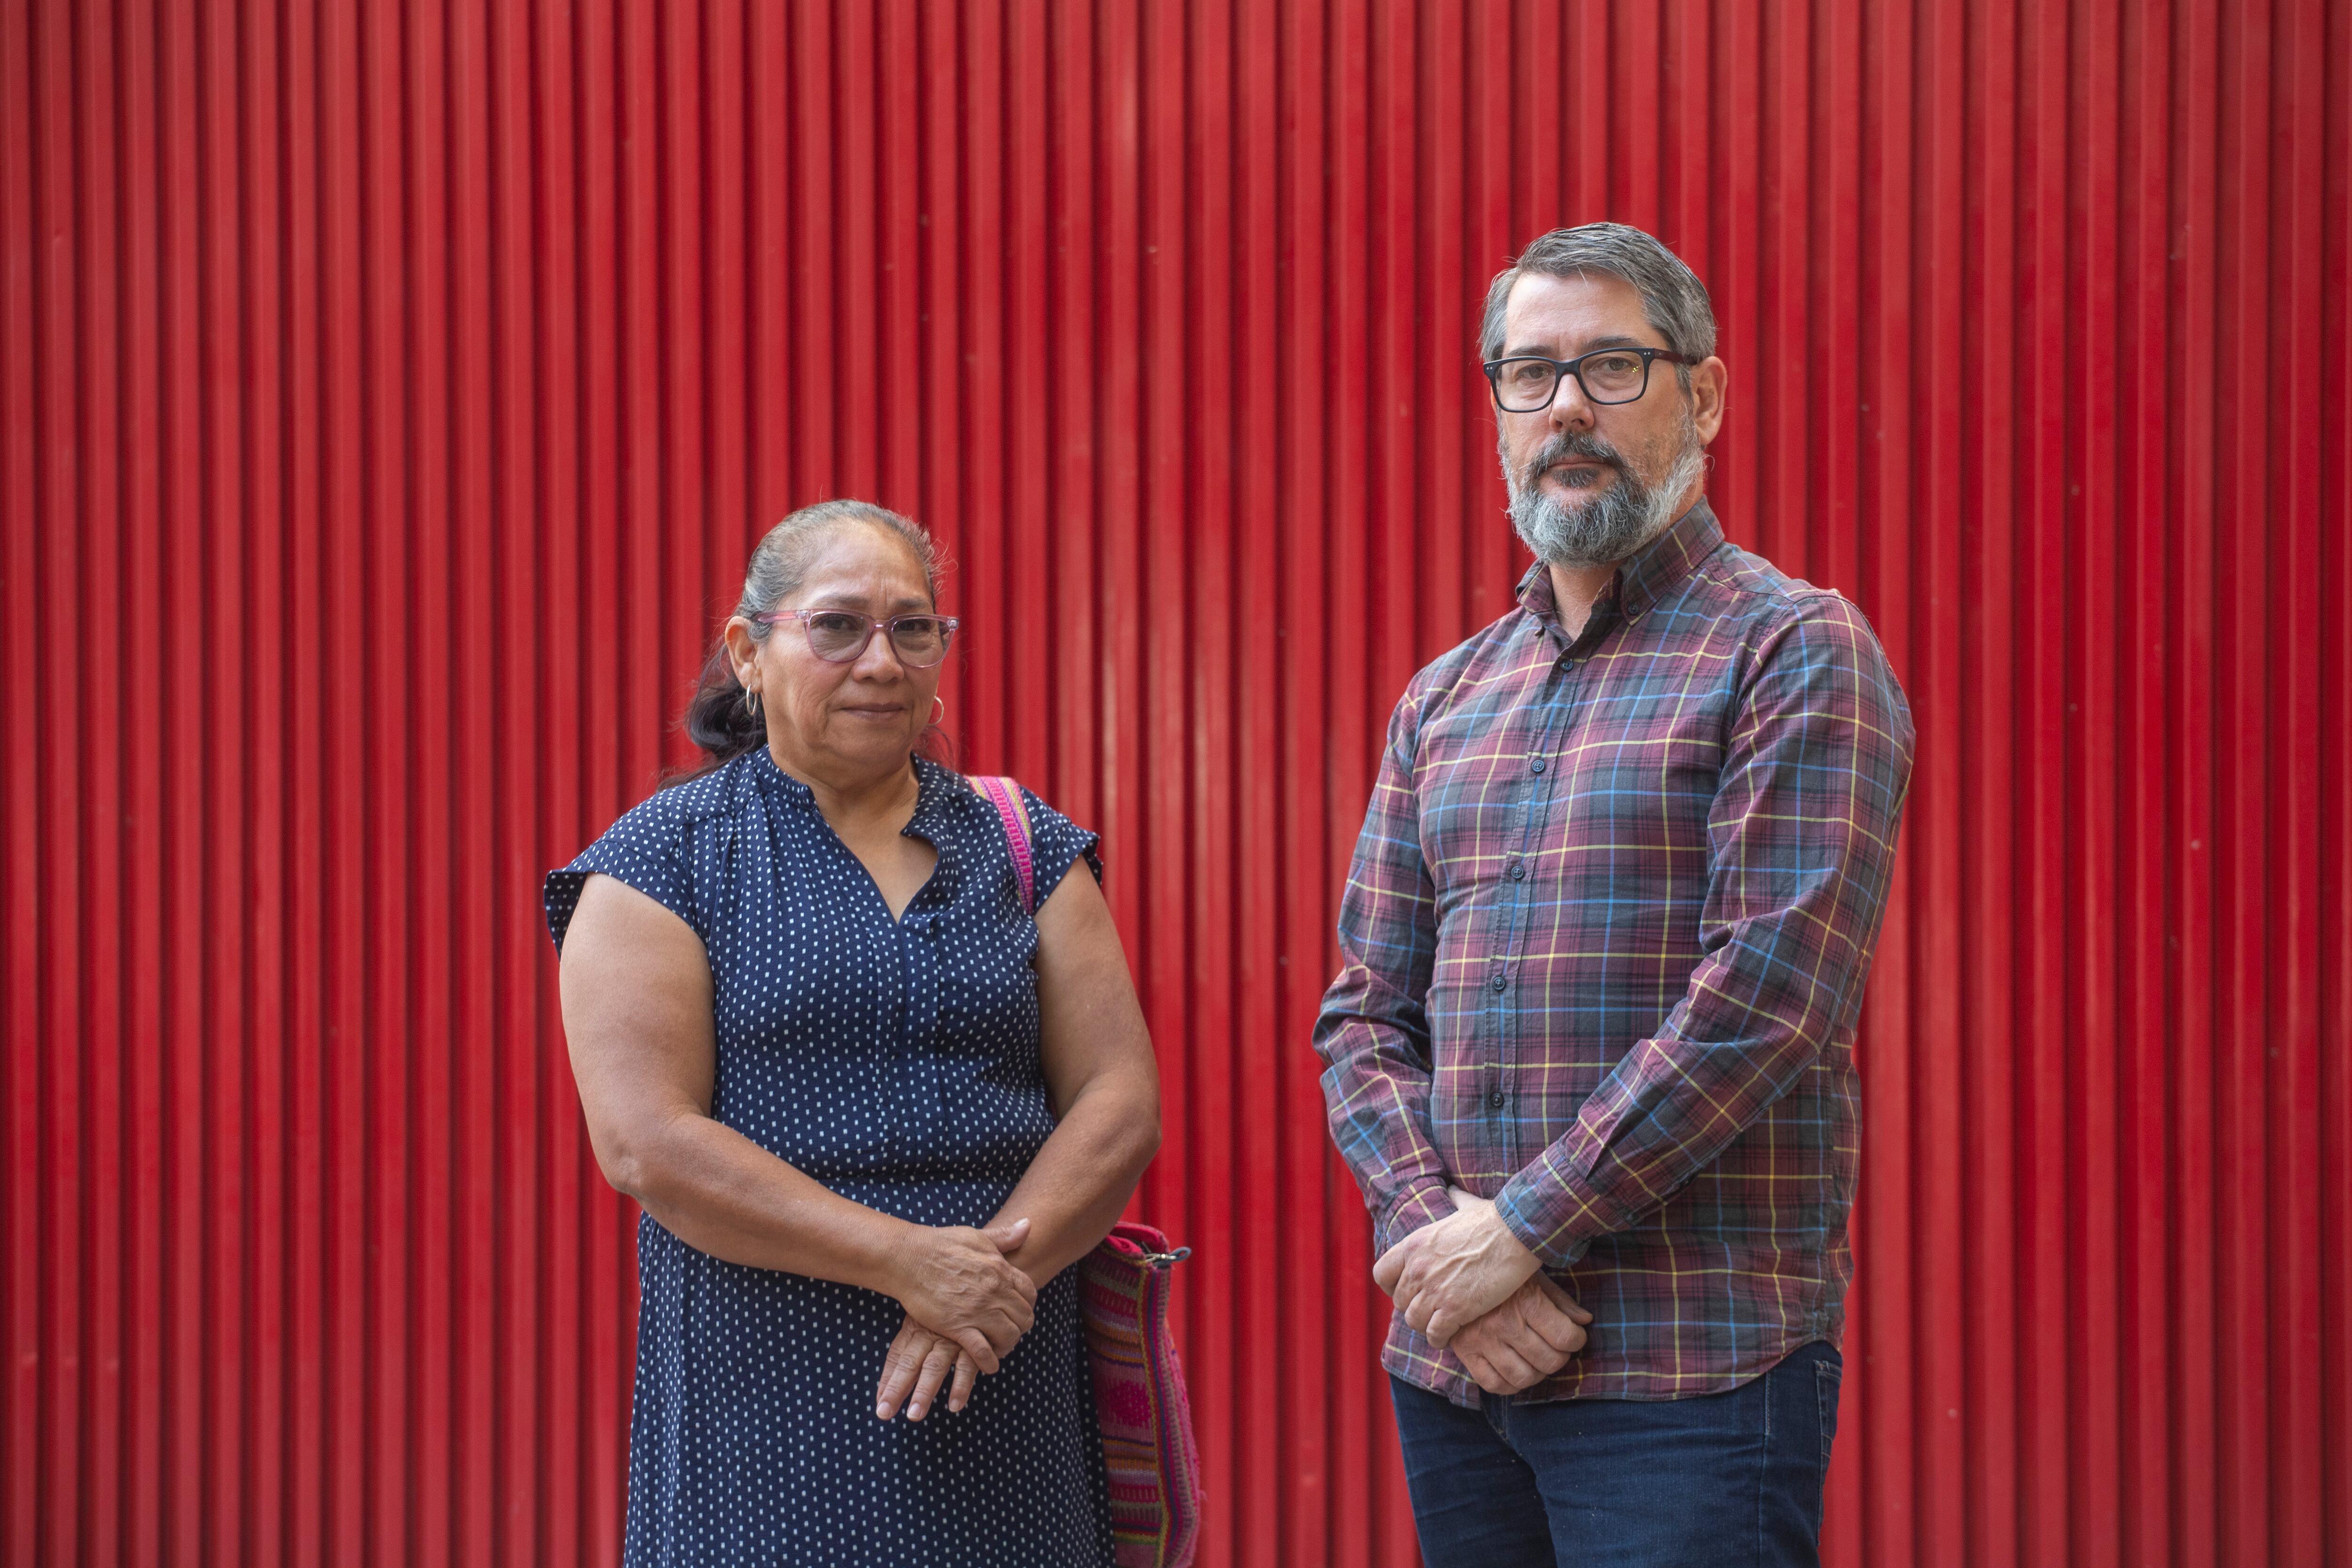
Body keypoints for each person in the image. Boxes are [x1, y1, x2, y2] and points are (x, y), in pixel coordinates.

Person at [1314, 223, 1915, 1566]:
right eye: (1529, 373)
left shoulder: (1795, 648)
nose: (1567, 404)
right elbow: (1361, 1016)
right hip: (1462, 1367)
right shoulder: (1447, 694)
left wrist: (1520, 1229)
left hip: (1691, 1372)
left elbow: (1765, 1001)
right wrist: (1438, 1243)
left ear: (1701, 395)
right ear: (1496, 410)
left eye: (1611, 365)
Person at [547, 499, 1160, 1567]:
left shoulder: (1023, 843)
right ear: (750, 649)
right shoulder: (662, 860)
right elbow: (647, 1140)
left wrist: (981, 1284)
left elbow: (1118, 1099)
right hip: (768, 1398)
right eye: (838, 625)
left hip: (1000, 1375)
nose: (882, 660)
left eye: (913, 628)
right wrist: (908, 1263)